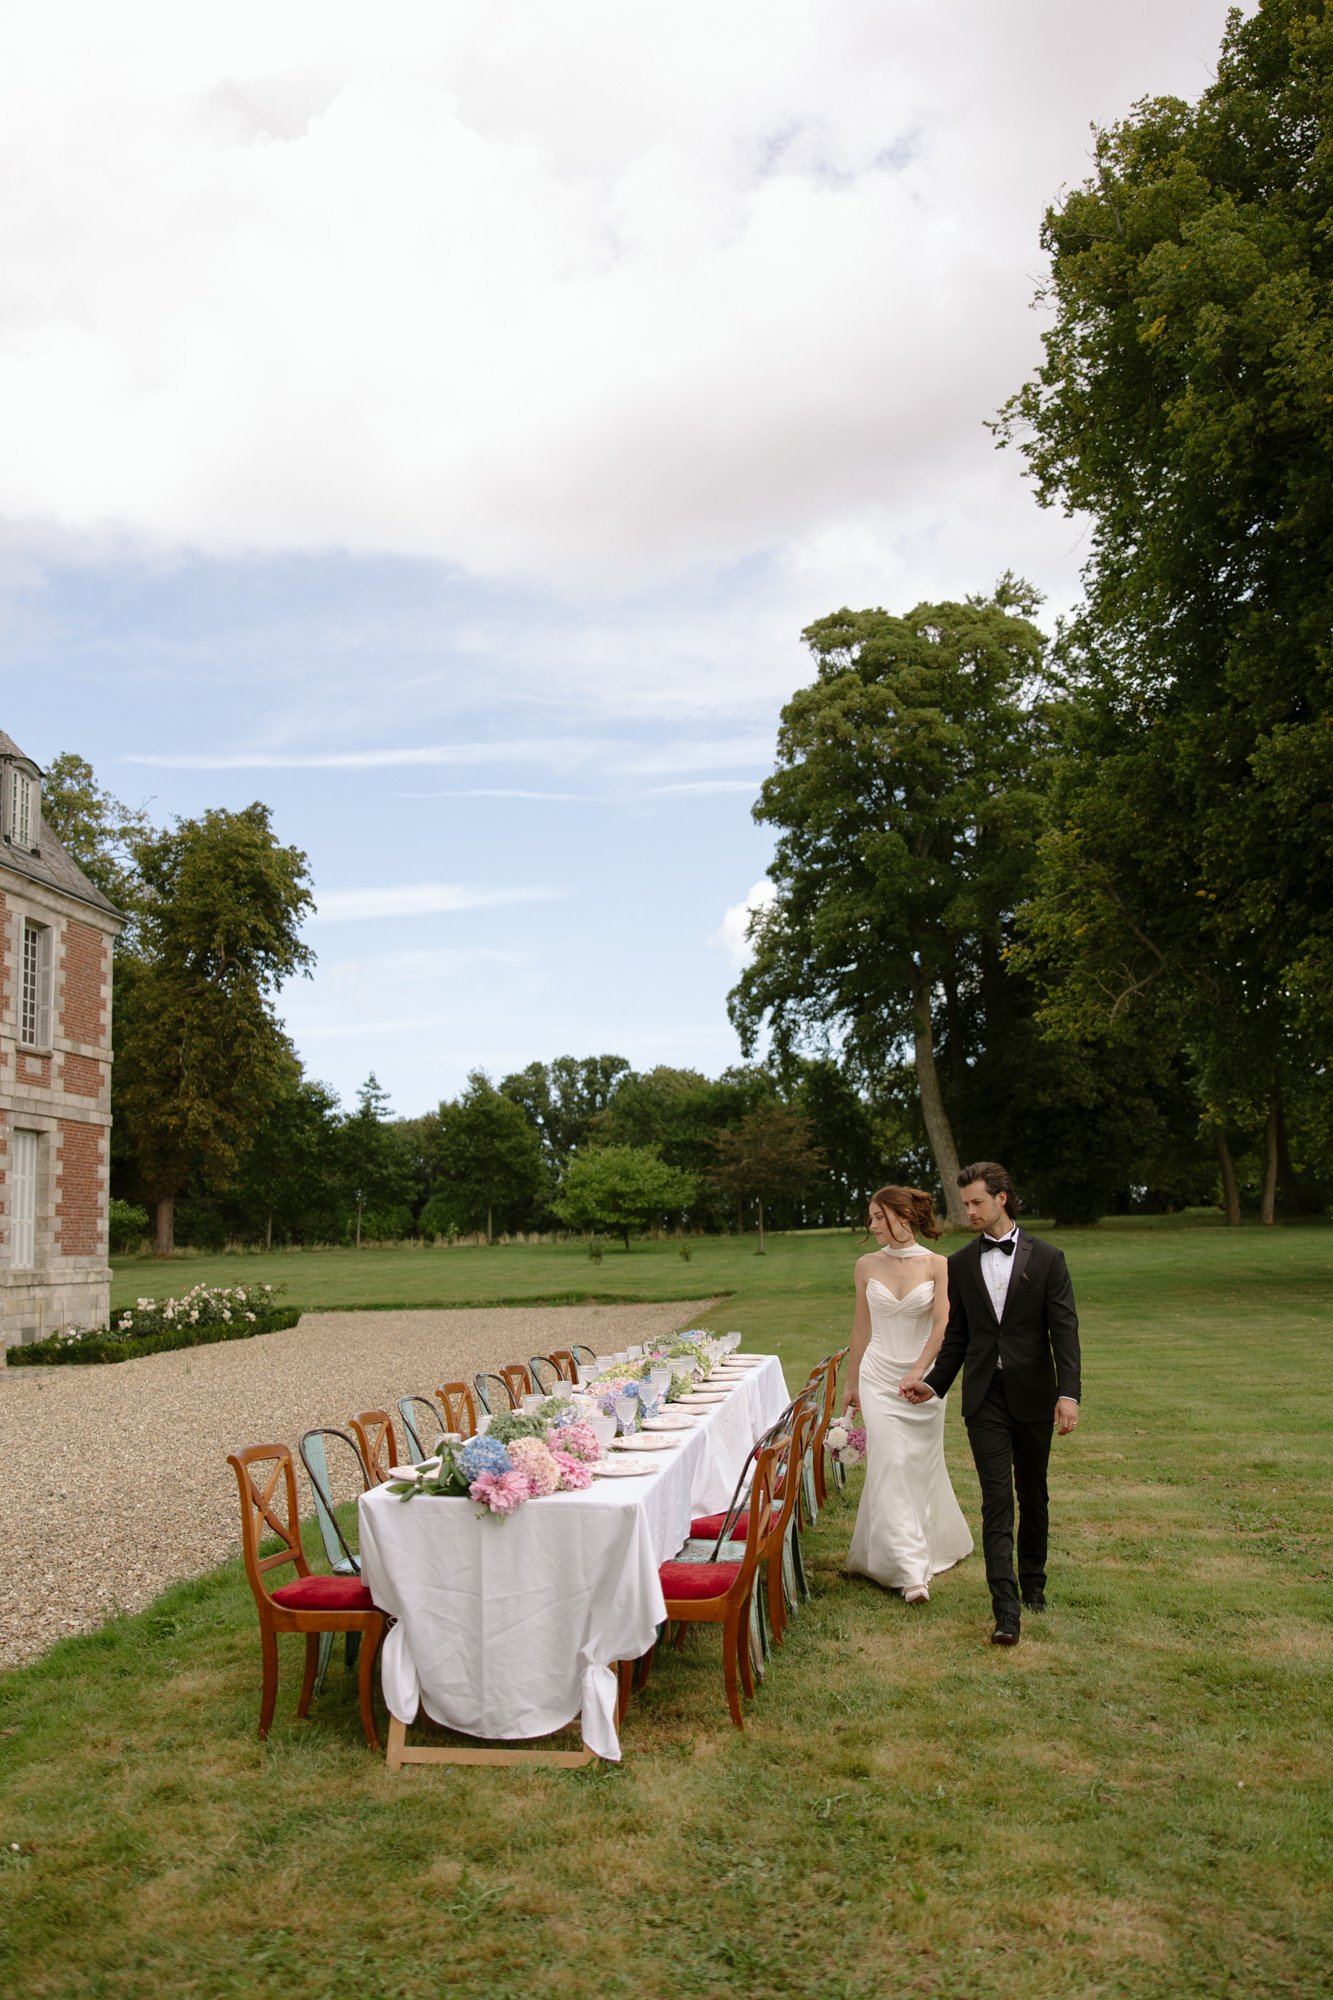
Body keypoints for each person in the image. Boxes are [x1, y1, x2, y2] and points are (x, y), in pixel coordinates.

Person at [900, 1162, 1081, 1646]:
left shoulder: (1048, 1259)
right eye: (966, 1203)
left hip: (1034, 1394)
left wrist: (1068, 1394)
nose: (970, 1211)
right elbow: (957, 1338)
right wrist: (934, 1384)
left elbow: (1064, 1334)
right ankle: (1006, 1611)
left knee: (1033, 1493)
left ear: (1002, 1198)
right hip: (984, 1399)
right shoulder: (959, 1263)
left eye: (977, 1201)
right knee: (996, 1500)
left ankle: (1034, 1583)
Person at [843, 1184, 973, 1603]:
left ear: (904, 1217)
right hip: (878, 1376)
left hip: (924, 1379)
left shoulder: (939, 1265)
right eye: (871, 1217)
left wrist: (920, 1371)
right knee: (892, 1460)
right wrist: (850, 1383)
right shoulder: (865, 1265)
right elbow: (861, 1328)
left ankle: (919, 1545)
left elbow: (943, 1326)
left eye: (880, 1217)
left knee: (919, 1464)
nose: (873, 1225)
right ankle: (911, 1571)